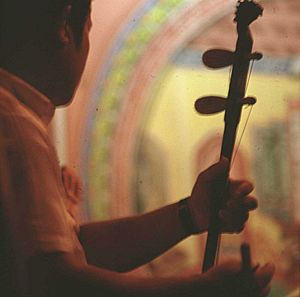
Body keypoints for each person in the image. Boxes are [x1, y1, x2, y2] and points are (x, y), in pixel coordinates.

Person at [0, 1, 274, 296]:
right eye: (89, 29)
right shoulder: (14, 123)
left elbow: (76, 252)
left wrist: (190, 214)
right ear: (66, 26)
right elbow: (57, 282)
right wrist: (202, 291)